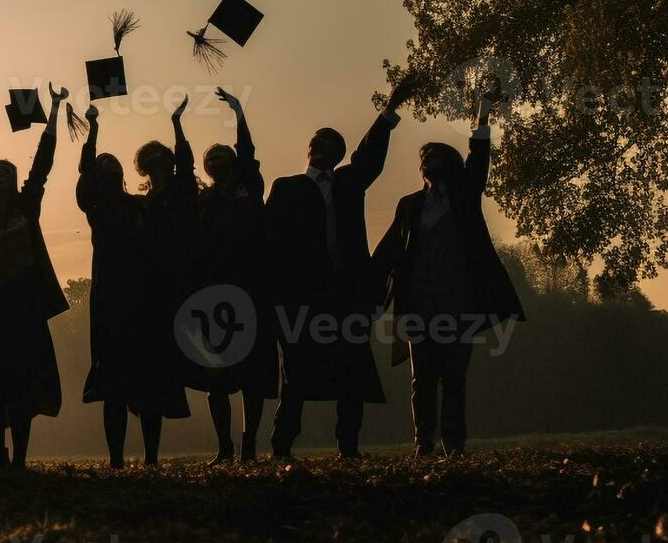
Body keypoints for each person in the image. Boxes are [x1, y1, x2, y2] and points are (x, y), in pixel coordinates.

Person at [265, 72, 419, 461]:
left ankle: (348, 446)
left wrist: (390, 110)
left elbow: (370, 154)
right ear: (310, 149)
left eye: (336, 148)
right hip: (302, 295)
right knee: (296, 372)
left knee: (352, 369)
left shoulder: (349, 183)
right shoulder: (287, 187)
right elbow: (271, 242)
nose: (327, 151)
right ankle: (282, 446)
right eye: (321, 144)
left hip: (347, 291)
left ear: (340, 156)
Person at [372, 85, 524, 457]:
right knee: (421, 378)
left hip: (459, 301)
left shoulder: (465, 195)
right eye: (424, 159)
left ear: (450, 166)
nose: (427, 163)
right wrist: (367, 287)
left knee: (454, 376)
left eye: (435, 158)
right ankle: (423, 444)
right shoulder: (409, 206)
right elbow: (389, 252)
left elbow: (480, 154)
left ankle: (454, 445)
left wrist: (482, 116)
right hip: (419, 303)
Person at [76, 102, 190, 467]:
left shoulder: (143, 206)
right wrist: (93, 130)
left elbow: (180, 185)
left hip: (146, 301)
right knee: (113, 385)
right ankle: (115, 460)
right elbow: (85, 172)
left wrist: (176, 130)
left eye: (113, 163)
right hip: (110, 300)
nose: (107, 167)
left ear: (125, 172)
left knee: (150, 381)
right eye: (101, 165)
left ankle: (152, 458)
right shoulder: (96, 209)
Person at [0, 84, 69, 468]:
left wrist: (55, 109)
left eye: (8, 173)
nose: (3, 177)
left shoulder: (27, 207)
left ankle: (21, 458)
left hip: (25, 306)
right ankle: (0, 457)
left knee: (23, 383)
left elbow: (43, 164)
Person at [189, 88, 278, 463]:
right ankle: (224, 446)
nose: (218, 161)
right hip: (214, 292)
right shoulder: (202, 200)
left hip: (253, 287)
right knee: (218, 375)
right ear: (207, 168)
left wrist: (239, 113)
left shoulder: (250, 188)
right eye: (212, 159)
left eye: (223, 155)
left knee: (254, 374)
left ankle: (248, 444)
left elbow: (248, 152)